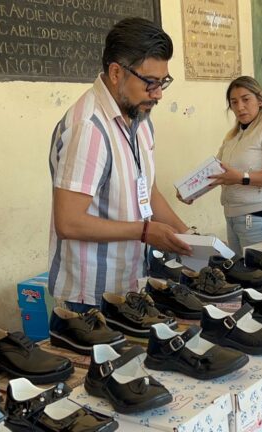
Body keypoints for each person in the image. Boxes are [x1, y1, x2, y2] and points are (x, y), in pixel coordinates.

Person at [48, 17, 192, 312]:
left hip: (132, 282)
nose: (158, 93)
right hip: (90, 298)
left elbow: (146, 189)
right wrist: (144, 231)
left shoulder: (140, 119)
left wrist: (186, 235)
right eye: (150, 82)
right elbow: (68, 221)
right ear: (116, 72)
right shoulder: (89, 128)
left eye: (163, 82)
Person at [180, 76, 262, 255]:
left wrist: (242, 178)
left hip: (259, 216)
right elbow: (217, 172)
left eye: (246, 99)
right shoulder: (232, 136)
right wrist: (190, 191)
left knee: (258, 275)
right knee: (240, 273)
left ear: (260, 100)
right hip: (233, 216)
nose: (240, 107)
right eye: (234, 102)